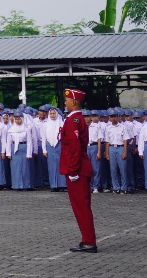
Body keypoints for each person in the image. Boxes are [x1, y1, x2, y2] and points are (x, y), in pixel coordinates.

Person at [59, 87, 97, 252]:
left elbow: (74, 147)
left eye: (67, 100)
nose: (65, 103)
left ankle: (89, 241)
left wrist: (73, 171)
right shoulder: (76, 119)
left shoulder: (73, 120)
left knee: (81, 207)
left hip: (77, 170)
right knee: (81, 207)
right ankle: (87, 239)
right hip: (79, 167)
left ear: (74, 102)